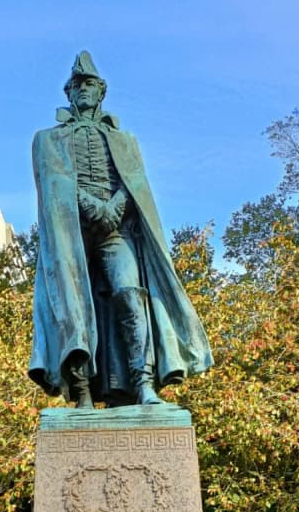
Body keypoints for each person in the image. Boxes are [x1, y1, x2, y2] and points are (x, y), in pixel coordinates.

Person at [28, 51, 213, 408]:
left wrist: (112, 207)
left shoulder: (125, 140)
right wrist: (91, 206)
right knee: (74, 304)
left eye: (90, 84)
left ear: (102, 91)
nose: (83, 90)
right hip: (72, 233)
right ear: (68, 93)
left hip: (116, 229)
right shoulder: (47, 139)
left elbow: (135, 184)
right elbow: (53, 184)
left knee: (130, 294)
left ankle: (143, 384)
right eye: (77, 85)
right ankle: (81, 392)